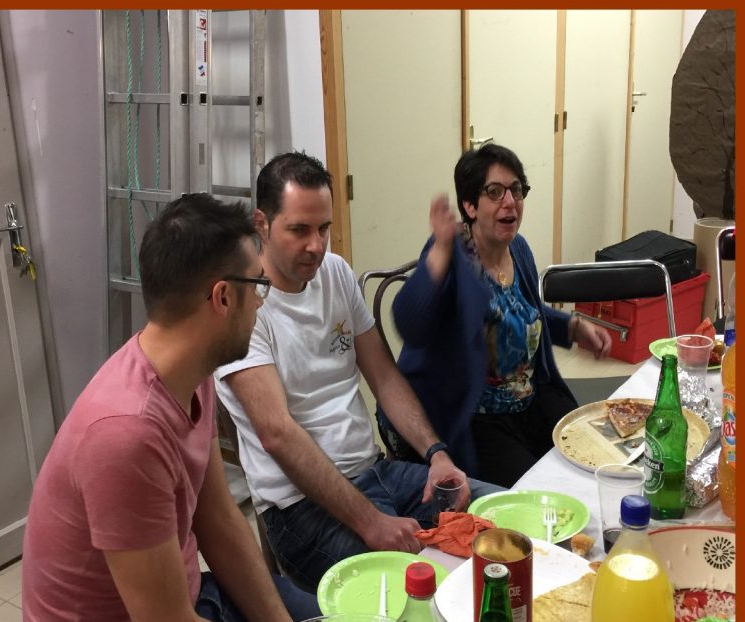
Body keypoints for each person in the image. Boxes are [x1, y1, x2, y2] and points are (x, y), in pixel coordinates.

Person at [22, 194, 320, 622]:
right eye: (257, 285)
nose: (261, 302)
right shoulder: (126, 435)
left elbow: (217, 518)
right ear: (222, 298)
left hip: (186, 602)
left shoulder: (193, 370)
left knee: (328, 621)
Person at [215, 152, 501, 592]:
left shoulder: (335, 272)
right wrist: (371, 522)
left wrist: (436, 453)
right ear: (262, 223)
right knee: (417, 592)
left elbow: (384, 376)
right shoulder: (244, 305)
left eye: (324, 228)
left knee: (501, 518)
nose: (316, 245)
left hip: (375, 471)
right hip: (300, 508)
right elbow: (277, 433)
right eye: (299, 230)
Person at [379, 143, 612, 487]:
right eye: (494, 192)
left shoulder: (518, 248)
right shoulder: (454, 254)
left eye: (516, 190)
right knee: (538, 491)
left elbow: (521, 313)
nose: (510, 201)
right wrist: (441, 249)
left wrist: (573, 328)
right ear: (469, 206)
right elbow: (408, 323)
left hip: (528, 400)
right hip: (473, 416)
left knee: (591, 458)